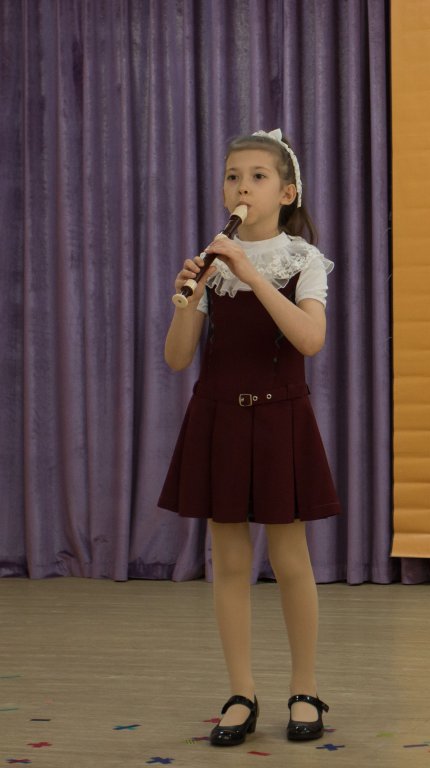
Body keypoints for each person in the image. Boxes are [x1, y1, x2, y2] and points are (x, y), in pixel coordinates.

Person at [158, 128, 341, 747]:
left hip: (279, 417)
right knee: (231, 563)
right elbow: (177, 359)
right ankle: (241, 693)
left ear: (286, 193)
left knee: (290, 561)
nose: (242, 187)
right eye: (233, 176)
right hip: (220, 418)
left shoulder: (303, 260)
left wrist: (251, 275)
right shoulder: (211, 264)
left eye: (258, 176)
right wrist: (188, 300)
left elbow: (309, 340)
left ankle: (305, 688)